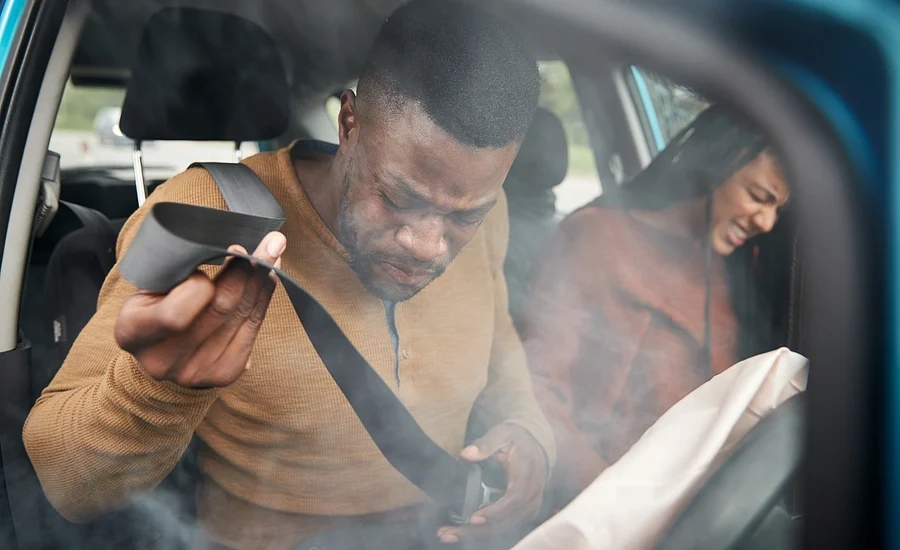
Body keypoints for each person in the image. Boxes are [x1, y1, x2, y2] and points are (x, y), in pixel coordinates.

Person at [22, 1, 555, 548]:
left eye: (464, 216)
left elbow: (503, 358)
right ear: (350, 123)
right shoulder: (205, 213)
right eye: (399, 197)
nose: (427, 245)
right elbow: (68, 486)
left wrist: (530, 437)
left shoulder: (493, 215)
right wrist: (153, 391)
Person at [520, 105, 790, 510]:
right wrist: (613, 503)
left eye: (777, 210)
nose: (767, 222)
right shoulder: (594, 238)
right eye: (758, 196)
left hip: (700, 511)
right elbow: (538, 388)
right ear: (716, 162)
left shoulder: (737, 273)